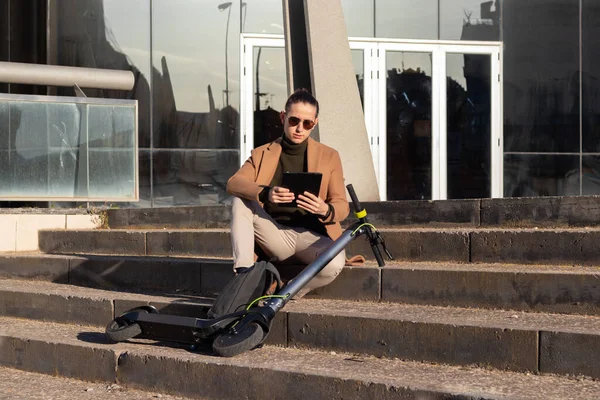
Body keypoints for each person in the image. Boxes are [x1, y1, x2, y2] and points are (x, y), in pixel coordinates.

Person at [226, 88, 349, 298]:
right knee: (240, 201)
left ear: (315, 123)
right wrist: (265, 193)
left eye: (307, 123)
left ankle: (284, 291)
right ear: (283, 117)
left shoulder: (329, 156)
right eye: (294, 120)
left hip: (314, 237)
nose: (300, 128)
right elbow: (233, 183)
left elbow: (342, 205)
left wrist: (325, 209)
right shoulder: (262, 153)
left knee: (335, 263)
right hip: (275, 235)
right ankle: (245, 277)